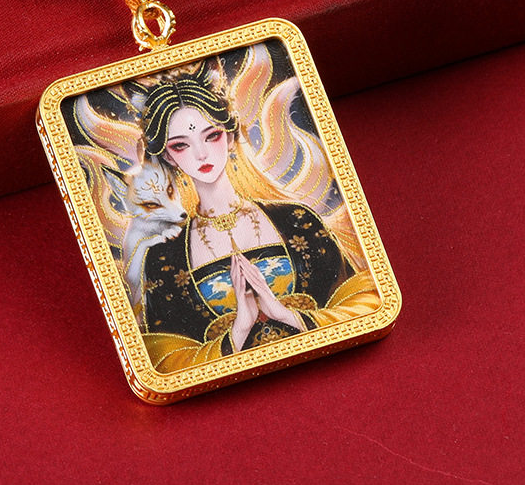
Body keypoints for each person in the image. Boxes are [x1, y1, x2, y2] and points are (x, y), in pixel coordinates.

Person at [132, 69, 380, 373]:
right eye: (180, 145)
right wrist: (238, 331)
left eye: (211, 136)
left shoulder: (296, 220)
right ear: (169, 157)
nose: (201, 153)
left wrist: (289, 316)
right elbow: (167, 363)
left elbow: (364, 300)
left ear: (230, 136)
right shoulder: (164, 259)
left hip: (334, 367)